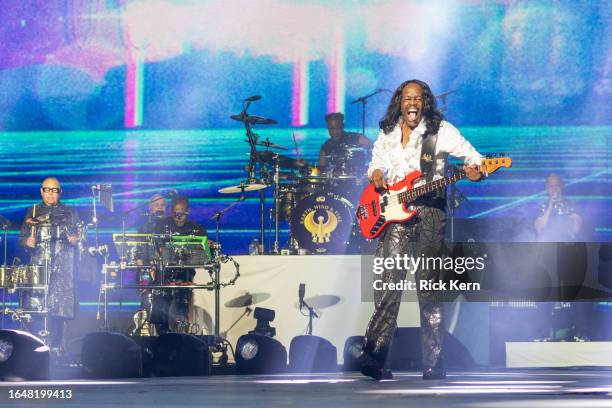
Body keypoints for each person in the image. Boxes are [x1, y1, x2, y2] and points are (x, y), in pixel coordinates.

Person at [361, 79, 484, 380]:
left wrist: (477, 170)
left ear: (425, 102)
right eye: (407, 98)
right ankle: (375, 359)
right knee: (388, 288)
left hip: (429, 214)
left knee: (428, 291)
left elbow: (475, 159)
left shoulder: (441, 131)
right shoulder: (388, 130)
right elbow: (375, 162)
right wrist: (376, 174)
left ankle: (434, 362)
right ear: (400, 102)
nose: (412, 103)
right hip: (394, 215)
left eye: (417, 98)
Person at [18, 177, 79, 353]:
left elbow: (82, 237)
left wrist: (76, 241)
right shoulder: (33, 212)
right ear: (41, 191)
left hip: (63, 268)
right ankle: (34, 349)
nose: (51, 193)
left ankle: (61, 351)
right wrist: (27, 242)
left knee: (62, 311)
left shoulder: (70, 212)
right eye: (48, 190)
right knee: (37, 307)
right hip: (40, 267)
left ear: (61, 192)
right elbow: (22, 238)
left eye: (55, 190)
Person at [150, 196, 207, 333]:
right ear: (171, 212)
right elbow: (154, 248)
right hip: (163, 276)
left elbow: (204, 253)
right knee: (160, 315)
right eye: (175, 214)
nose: (178, 217)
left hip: (184, 277)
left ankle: (180, 341)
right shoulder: (161, 226)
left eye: (181, 214)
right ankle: (161, 340)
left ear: (187, 211)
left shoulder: (196, 229)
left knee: (179, 316)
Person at [534, 174, 583, 241]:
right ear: (547, 189)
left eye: (557, 186)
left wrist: (564, 208)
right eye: (551, 186)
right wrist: (550, 207)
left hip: (568, 244)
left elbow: (576, 229)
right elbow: (539, 230)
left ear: (562, 187)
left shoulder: (572, 205)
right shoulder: (542, 207)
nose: (555, 189)